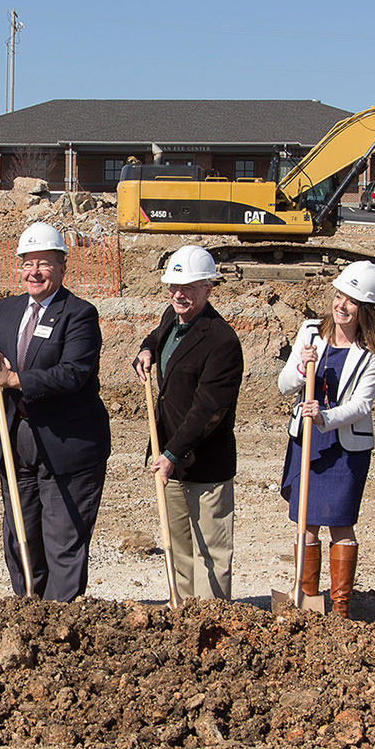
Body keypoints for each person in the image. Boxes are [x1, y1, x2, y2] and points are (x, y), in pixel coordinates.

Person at [0, 222, 110, 601]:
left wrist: (14, 380)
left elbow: (73, 373)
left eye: (44, 264)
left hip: (68, 445)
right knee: (22, 538)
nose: (35, 272)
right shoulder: (6, 309)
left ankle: (59, 622)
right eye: (28, 264)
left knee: (62, 541)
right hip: (17, 440)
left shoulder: (79, 314)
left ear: (62, 267)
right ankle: (29, 610)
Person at [276, 261, 375, 617]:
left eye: (351, 300)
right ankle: (308, 599)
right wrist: (300, 367)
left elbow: (363, 404)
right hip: (307, 438)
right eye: (339, 295)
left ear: (365, 309)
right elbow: (283, 386)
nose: (341, 304)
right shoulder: (310, 331)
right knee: (306, 521)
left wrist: (325, 417)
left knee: (341, 523)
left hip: (344, 444)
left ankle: (340, 606)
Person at [132, 246, 243, 600]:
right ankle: (181, 612)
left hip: (203, 464)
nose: (179, 294)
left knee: (210, 551)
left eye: (189, 287)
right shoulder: (172, 316)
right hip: (170, 458)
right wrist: (146, 350)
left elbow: (207, 411)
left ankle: (210, 621)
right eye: (174, 286)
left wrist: (172, 453)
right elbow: (157, 337)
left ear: (209, 288)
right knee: (178, 548)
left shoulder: (221, 341)